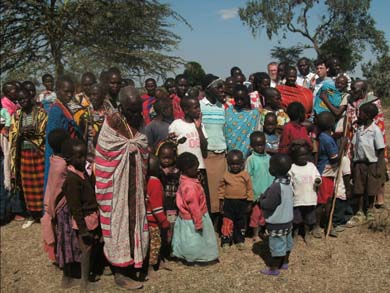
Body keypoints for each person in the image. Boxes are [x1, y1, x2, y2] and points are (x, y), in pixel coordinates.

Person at [95, 86, 148, 290]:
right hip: (117, 185)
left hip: (135, 185)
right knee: (119, 222)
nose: (136, 115)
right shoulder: (112, 123)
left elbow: (142, 146)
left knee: (134, 221)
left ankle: (135, 262)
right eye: (131, 110)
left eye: (138, 109)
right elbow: (104, 154)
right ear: (121, 107)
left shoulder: (140, 122)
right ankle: (119, 271)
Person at [56, 138, 100, 290]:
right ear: (69, 159)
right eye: (79, 157)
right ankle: (84, 282)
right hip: (84, 220)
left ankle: (86, 277)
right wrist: (82, 229)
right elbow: (75, 208)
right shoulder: (72, 179)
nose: (83, 159)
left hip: (91, 216)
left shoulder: (81, 173)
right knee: (85, 250)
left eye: (84, 155)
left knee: (91, 247)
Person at [345, 80, 388, 209]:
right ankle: (359, 202)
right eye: (351, 89)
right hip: (356, 135)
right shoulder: (351, 101)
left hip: (371, 138)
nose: (352, 92)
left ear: (363, 91)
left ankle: (378, 199)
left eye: (355, 90)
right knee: (358, 173)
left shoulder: (373, 102)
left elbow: (378, 122)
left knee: (375, 172)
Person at [10, 87, 48, 229]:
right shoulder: (17, 115)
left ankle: (44, 213)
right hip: (24, 154)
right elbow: (13, 135)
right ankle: (32, 214)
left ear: (31, 98)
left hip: (39, 153)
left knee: (41, 183)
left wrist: (34, 132)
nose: (22, 101)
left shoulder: (41, 113)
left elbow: (45, 133)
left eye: (24, 98)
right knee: (27, 185)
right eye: (19, 100)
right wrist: (21, 133)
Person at [172, 152, 219, 264]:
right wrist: (198, 223)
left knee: (186, 239)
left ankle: (184, 255)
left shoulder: (184, 181)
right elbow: (194, 207)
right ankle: (197, 257)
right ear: (187, 169)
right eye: (195, 168)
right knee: (196, 240)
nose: (197, 170)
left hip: (185, 218)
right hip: (195, 218)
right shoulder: (190, 187)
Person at [169, 94, 210, 211]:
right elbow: (171, 143)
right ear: (186, 110)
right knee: (186, 197)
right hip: (183, 169)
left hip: (199, 167)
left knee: (200, 197)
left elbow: (204, 146)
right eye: (195, 107)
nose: (198, 110)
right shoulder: (177, 124)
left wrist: (198, 128)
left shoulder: (199, 125)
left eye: (199, 107)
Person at [44, 76, 81, 192]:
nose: (69, 95)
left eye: (71, 92)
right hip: (61, 156)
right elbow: (54, 139)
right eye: (66, 91)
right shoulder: (56, 110)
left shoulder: (64, 107)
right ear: (57, 91)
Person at [350, 103, 386, 223]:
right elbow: (355, 145)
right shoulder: (359, 129)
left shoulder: (375, 130)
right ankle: (360, 211)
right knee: (359, 188)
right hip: (359, 163)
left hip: (372, 163)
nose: (359, 115)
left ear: (368, 115)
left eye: (361, 113)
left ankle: (369, 209)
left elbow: (380, 150)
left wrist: (379, 168)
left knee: (371, 188)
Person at [259, 154, 293, 276]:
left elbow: (269, 204)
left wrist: (262, 200)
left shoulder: (276, 186)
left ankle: (273, 268)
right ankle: (285, 263)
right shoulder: (288, 182)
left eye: (271, 166)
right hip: (288, 220)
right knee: (287, 243)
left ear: (274, 170)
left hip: (277, 222)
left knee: (277, 246)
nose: (269, 168)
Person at [200, 74, 227, 225]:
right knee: (209, 192)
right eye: (218, 87)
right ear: (208, 90)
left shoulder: (222, 107)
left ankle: (219, 225)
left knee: (220, 192)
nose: (222, 90)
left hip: (221, 154)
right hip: (207, 155)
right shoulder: (200, 107)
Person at [41, 128, 69, 262]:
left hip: (54, 206)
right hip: (60, 207)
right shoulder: (63, 165)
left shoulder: (54, 159)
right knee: (64, 236)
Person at [218, 150, 253, 249]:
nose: (235, 166)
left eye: (237, 164)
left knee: (240, 222)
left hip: (242, 202)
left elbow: (249, 189)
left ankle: (239, 240)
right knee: (227, 222)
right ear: (228, 164)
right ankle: (226, 240)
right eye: (232, 164)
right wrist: (221, 203)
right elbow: (221, 190)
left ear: (242, 163)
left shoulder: (245, 175)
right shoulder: (225, 175)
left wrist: (249, 203)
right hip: (229, 202)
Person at [288, 141, 321, 243]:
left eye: (305, 155)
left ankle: (307, 234)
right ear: (294, 156)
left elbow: (317, 177)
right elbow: (289, 183)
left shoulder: (311, 166)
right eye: (300, 155)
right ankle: (295, 234)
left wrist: (318, 181)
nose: (303, 157)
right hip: (297, 199)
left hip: (310, 199)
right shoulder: (292, 168)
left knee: (309, 219)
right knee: (296, 219)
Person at [314, 111, 339, 238]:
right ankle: (318, 226)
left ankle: (327, 223)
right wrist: (343, 145)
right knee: (323, 201)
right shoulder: (327, 140)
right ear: (332, 124)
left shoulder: (323, 136)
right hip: (325, 173)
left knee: (326, 200)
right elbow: (334, 158)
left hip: (327, 173)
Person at [245, 132, 274, 242]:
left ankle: (264, 231)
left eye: (262, 144)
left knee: (266, 214)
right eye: (257, 145)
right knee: (256, 214)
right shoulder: (251, 159)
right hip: (257, 193)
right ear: (252, 146)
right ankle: (255, 234)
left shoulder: (269, 158)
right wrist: (251, 193)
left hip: (268, 192)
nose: (260, 147)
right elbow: (247, 177)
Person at [146, 155, 171, 278]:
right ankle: (150, 268)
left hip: (148, 220)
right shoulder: (155, 182)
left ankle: (159, 262)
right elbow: (156, 207)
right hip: (154, 221)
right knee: (154, 245)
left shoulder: (146, 180)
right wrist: (164, 221)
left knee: (156, 243)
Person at [225, 85, 260, 158]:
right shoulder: (228, 111)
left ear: (247, 97)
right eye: (237, 99)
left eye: (242, 98)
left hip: (247, 155)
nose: (239, 101)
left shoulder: (253, 114)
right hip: (229, 153)